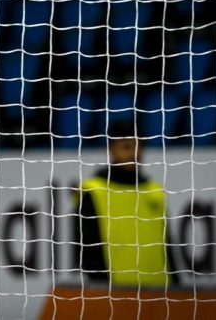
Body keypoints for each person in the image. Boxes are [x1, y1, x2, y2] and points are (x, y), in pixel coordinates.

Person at [73, 119, 179, 287]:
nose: (134, 153)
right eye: (126, 147)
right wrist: (101, 289)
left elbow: (168, 245)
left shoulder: (154, 190)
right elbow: (87, 250)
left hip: (160, 291)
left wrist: (175, 284)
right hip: (116, 294)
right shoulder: (94, 191)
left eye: (139, 146)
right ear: (111, 149)